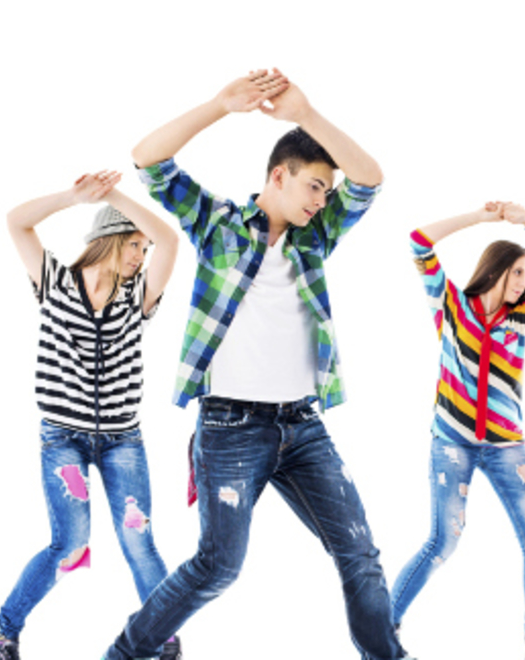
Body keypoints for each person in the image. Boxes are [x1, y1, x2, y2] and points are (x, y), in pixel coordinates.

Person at [100, 69, 408, 660]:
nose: (322, 202)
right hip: (231, 427)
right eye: (314, 187)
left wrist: (307, 114)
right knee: (218, 567)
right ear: (278, 176)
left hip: (303, 425)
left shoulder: (315, 239)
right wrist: (221, 105)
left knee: (359, 553)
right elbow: (148, 160)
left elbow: (369, 179)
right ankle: (125, 654)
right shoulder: (217, 225)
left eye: (325, 192)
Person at [0, 171, 180, 660]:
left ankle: (162, 637)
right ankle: (1, 632)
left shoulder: (139, 296)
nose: (141, 255)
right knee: (70, 544)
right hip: (62, 438)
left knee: (139, 542)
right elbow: (16, 222)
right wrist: (74, 197)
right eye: (134, 244)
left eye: (143, 248)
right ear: (108, 240)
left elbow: (170, 239)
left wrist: (116, 195)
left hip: (121, 440)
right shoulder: (54, 281)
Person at [396, 201, 525, 659]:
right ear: (496, 269)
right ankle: (382, 626)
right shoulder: (452, 306)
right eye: (517, 272)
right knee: (442, 542)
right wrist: (481, 218)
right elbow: (420, 241)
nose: (524, 282)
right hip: (452, 445)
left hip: (507, 448)